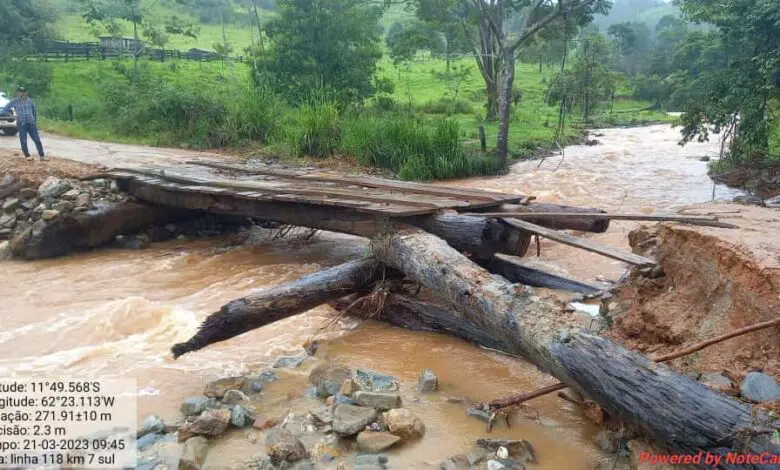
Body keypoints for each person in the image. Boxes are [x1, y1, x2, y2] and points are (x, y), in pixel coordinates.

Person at [2, 86, 45, 161]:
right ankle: (27, 155)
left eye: (24, 92)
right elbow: (5, 109)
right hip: (22, 123)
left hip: (31, 123)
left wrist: (34, 121)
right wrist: (12, 116)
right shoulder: (15, 101)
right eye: (20, 92)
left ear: (26, 92)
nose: (22, 93)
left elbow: (34, 111)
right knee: (23, 140)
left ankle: (42, 156)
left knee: (37, 139)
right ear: (18, 93)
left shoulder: (30, 101)